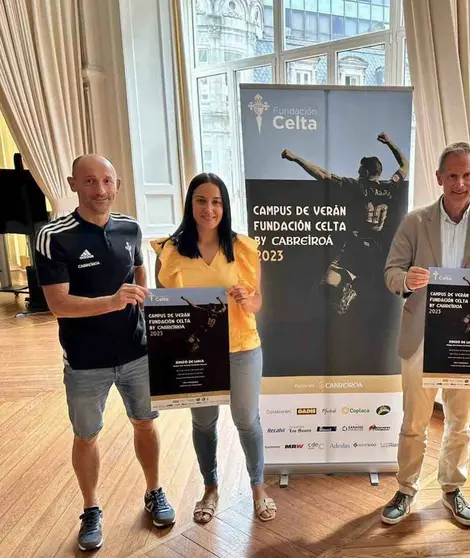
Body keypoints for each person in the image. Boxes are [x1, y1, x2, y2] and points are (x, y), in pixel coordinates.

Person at [34, 155, 176, 552]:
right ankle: (91, 508)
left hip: (137, 353)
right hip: (84, 362)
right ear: (73, 184)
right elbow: (58, 304)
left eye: (107, 182)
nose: (100, 190)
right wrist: (112, 301)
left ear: (116, 185)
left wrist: (144, 300)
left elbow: (138, 270)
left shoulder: (130, 227)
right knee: (86, 436)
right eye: (91, 181)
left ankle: (154, 491)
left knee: (145, 424)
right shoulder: (53, 235)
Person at [381, 142, 470, 526]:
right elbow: (390, 272)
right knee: (414, 422)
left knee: (459, 422)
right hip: (422, 337)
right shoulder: (414, 222)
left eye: (467, 175)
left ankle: (453, 489)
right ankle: (406, 488)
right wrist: (406, 279)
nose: (460, 183)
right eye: (453, 175)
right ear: (439, 178)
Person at [152, 172, 276, 525]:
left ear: (225, 206)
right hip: (197, 353)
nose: (209, 209)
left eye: (216, 201)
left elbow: (257, 303)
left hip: (242, 346)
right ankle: (210, 488)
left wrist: (247, 298)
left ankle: (257, 488)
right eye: (202, 201)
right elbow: (168, 306)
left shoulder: (243, 248)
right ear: (190, 205)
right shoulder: (171, 251)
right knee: (203, 423)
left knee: (246, 421)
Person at [281, 132, 408, 315]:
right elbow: (405, 164)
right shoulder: (390, 186)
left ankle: (343, 293)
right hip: (376, 248)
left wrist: (296, 159)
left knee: (328, 279)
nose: (357, 172)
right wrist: (389, 143)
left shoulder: (358, 186)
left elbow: (323, 175)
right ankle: (349, 289)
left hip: (356, 244)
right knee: (350, 275)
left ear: (365, 172)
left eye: (359, 169)